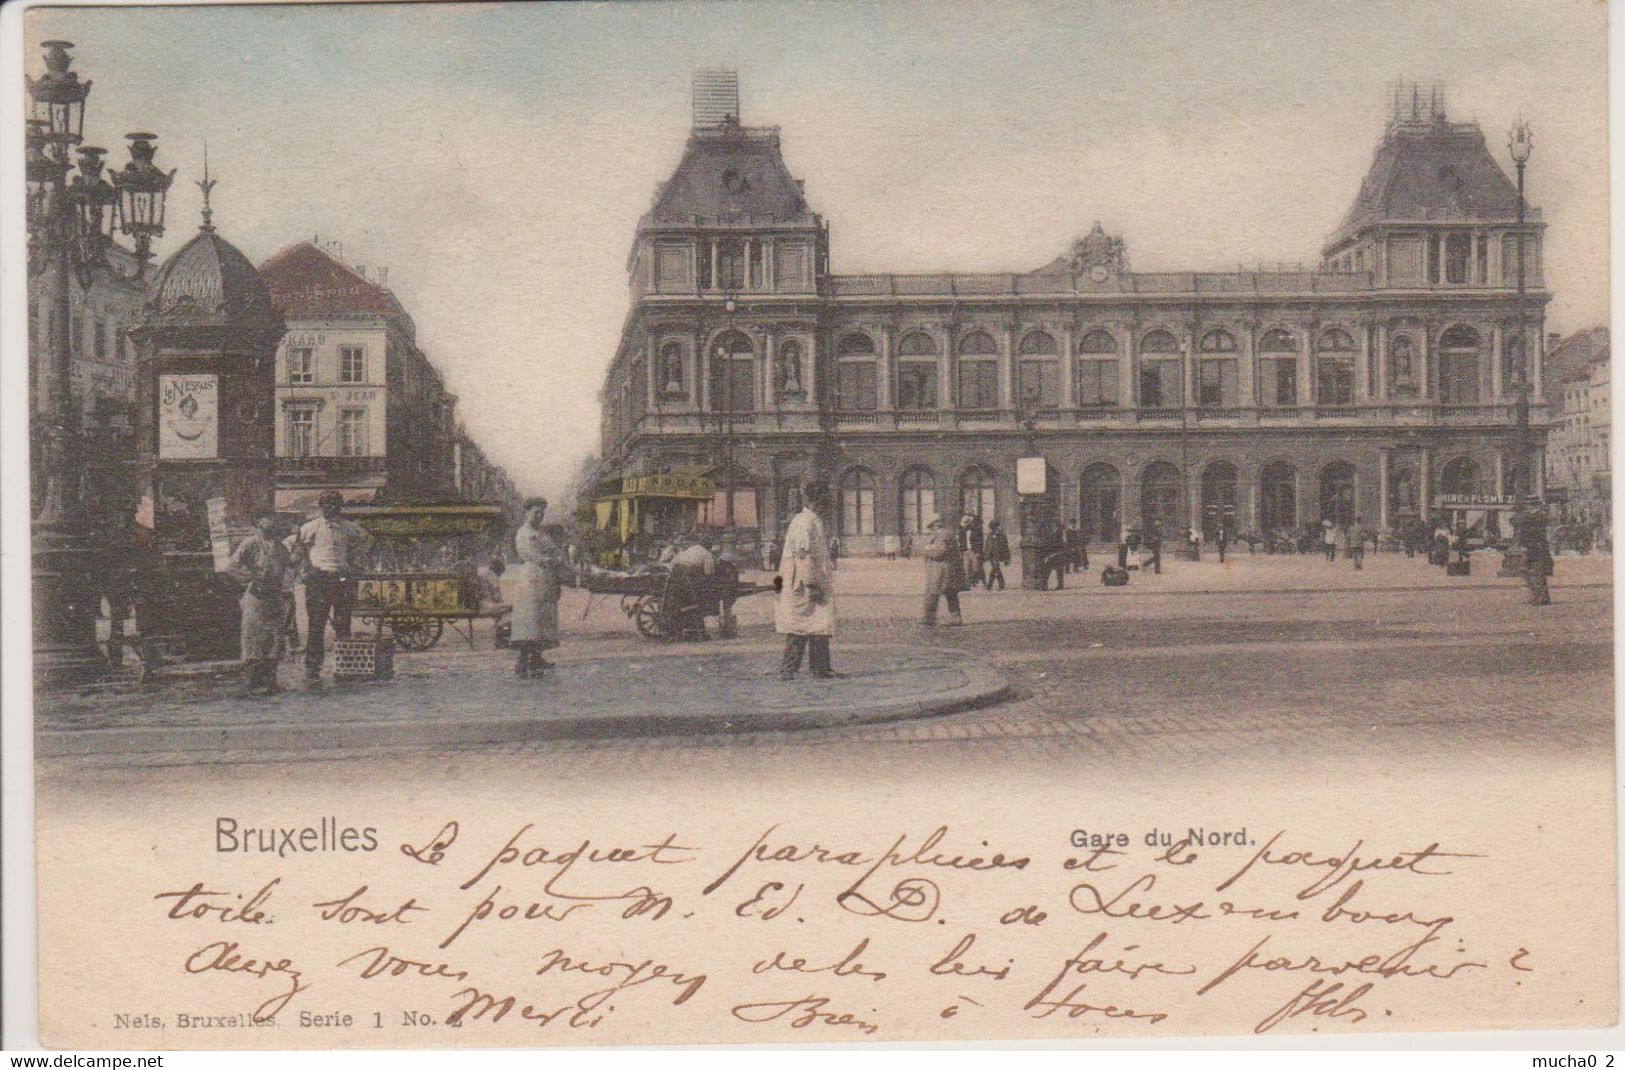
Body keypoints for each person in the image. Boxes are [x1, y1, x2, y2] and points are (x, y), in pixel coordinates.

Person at [292, 490, 369, 681]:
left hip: (342, 581)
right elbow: (295, 552)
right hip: (319, 581)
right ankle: (313, 669)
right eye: (327, 504)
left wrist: (355, 565)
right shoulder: (309, 528)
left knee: (343, 626)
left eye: (335, 504)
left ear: (340, 507)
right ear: (321, 506)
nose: (332, 508)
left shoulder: (350, 528)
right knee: (316, 627)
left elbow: (366, 543)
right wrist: (305, 571)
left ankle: (345, 667)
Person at [227, 511, 292, 697]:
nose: (272, 522)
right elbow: (231, 567)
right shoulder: (251, 543)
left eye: (273, 518)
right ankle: (251, 684)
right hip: (256, 597)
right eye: (267, 518)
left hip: (275, 597)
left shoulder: (280, 547)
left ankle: (271, 683)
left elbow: (288, 569)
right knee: (253, 639)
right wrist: (248, 581)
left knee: (274, 641)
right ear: (257, 521)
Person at [776, 481, 837, 679]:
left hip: (812, 577)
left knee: (817, 624)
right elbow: (802, 556)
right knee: (800, 624)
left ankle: (820, 668)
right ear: (818, 500)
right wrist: (811, 584)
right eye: (826, 499)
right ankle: (789, 670)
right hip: (803, 580)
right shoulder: (804, 522)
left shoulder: (813, 520)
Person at [509, 497, 564, 677]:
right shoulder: (523, 533)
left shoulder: (541, 532)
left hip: (546, 580)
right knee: (531, 621)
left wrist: (556, 557)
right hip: (531, 581)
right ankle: (523, 662)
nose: (540, 516)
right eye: (536, 512)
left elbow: (554, 549)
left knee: (542, 621)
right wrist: (551, 559)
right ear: (526, 513)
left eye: (542, 512)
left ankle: (537, 658)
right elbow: (533, 555)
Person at [668, 531, 716, 641]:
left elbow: (673, 563)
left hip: (675, 575)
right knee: (695, 602)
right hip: (688, 576)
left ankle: (675, 630)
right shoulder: (707, 554)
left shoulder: (689, 550)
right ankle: (694, 631)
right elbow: (709, 573)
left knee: (677, 602)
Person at [920, 515, 964, 626]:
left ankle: (928, 618)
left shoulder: (942, 534)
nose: (931, 530)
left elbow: (939, 551)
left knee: (933, 593)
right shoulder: (947, 533)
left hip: (941, 570)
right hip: (946, 569)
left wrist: (926, 549)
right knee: (950, 593)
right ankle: (956, 617)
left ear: (936, 525)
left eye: (931, 527)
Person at [1520, 509, 1554, 605]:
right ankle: (1539, 595)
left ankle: (1541, 597)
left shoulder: (1537, 519)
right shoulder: (1529, 519)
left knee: (1538, 574)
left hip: (1536, 551)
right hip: (1531, 550)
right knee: (1530, 573)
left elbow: (1540, 537)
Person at [984, 519, 1011, 590]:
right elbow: (987, 545)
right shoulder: (990, 535)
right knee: (995, 569)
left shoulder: (1001, 535)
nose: (993, 528)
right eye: (992, 527)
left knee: (995, 568)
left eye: (995, 526)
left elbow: (1005, 546)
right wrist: (985, 555)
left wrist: (1006, 557)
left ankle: (991, 585)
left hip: (997, 554)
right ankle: (998, 585)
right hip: (991, 555)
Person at [958, 515, 982, 592]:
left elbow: (980, 542)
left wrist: (978, 551)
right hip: (966, 551)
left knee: (975, 567)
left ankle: (975, 581)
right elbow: (961, 542)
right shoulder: (961, 531)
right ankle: (967, 584)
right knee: (966, 568)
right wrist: (961, 551)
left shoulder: (976, 530)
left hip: (973, 551)